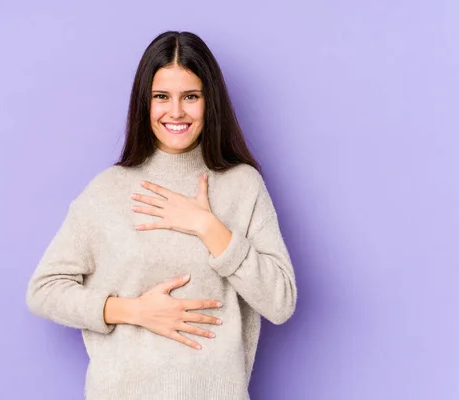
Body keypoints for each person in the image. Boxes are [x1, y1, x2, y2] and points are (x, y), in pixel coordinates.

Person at [26, 30, 298, 400]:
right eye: (161, 97)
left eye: (190, 97)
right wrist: (132, 311)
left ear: (209, 101)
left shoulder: (242, 186)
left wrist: (207, 226)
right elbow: (43, 291)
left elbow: (280, 302)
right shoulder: (108, 189)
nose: (175, 112)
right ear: (144, 103)